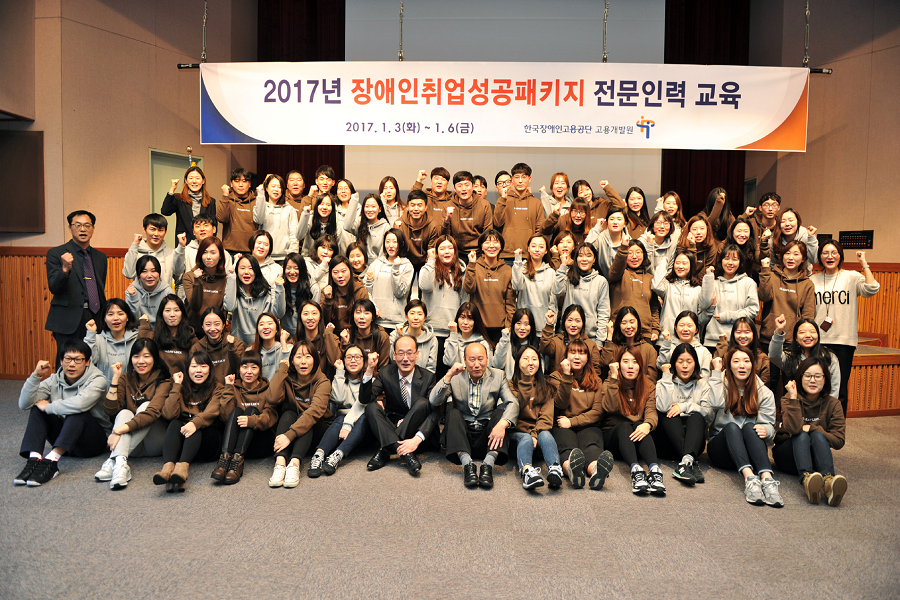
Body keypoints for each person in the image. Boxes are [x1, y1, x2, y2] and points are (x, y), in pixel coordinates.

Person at [14, 341, 110, 487]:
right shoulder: (53, 380)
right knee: (37, 409)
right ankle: (34, 459)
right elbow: (24, 404)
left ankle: (52, 461)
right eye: (68, 359)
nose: (72, 364)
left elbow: (80, 404)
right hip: (66, 440)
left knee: (77, 412)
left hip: (92, 443)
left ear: (87, 362)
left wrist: (50, 407)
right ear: (61, 361)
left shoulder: (98, 380)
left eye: (78, 359)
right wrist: (36, 376)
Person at [429, 343, 518, 489]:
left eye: (480, 359)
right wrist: (449, 375)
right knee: (453, 413)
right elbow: (434, 400)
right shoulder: (456, 376)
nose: (477, 364)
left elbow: (513, 402)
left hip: (488, 436)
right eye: (472, 359)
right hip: (463, 438)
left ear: (487, 358)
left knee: (501, 414)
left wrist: (502, 424)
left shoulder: (498, 375)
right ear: (464, 360)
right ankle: (467, 466)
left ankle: (487, 466)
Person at [707, 350, 783, 507]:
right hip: (722, 450)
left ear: (752, 365)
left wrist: (767, 430)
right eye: (736, 361)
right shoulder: (719, 384)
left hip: (750, 452)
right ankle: (750, 479)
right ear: (728, 366)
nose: (741, 365)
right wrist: (716, 373)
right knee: (732, 427)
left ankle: (767, 479)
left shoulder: (764, 392)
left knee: (750, 426)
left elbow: (769, 427)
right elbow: (713, 404)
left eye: (746, 361)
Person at [812, 242, 880, 414]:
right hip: (817, 341)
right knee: (817, 386)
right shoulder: (813, 280)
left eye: (834, 252)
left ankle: (836, 429)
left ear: (840, 256)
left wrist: (863, 262)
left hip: (843, 341)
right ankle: (817, 426)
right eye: (825, 253)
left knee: (840, 389)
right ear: (820, 256)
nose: (830, 256)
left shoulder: (851, 277)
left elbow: (872, 288)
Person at [98, 338, 173, 490]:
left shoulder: (164, 381)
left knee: (146, 406)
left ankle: (113, 460)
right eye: (136, 356)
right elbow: (110, 410)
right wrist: (115, 379)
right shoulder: (126, 378)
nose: (141, 361)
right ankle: (120, 463)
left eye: (146, 356)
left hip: (154, 442)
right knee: (125, 411)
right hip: (133, 446)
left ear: (155, 358)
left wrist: (118, 431)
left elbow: (152, 413)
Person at [773, 358, 848, 506]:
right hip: (787, 456)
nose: (812, 380)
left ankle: (828, 483)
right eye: (807, 375)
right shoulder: (789, 398)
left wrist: (812, 428)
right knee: (801, 435)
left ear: (825, 379)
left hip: (815, 459)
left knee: (817, 435)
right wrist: (794, 398)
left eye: (817, 376)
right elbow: (794, 429)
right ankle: (807, 480)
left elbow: (839, 441)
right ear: (800, 378)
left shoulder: (834, 404)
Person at [361, 336, 439, 475]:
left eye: (410, 353)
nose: (405, 358)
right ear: (394, 356)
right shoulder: (385, 373)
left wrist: (416, 439)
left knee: (423, 403)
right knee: (371, 407)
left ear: (417, 355)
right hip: (393, 424)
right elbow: (365, 398)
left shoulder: (428, 377)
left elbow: (434, 412)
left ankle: (385, 449)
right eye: (401, 353)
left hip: (416, 431)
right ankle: (406, 455)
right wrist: (369, 370)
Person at [548, 340, 614, 490]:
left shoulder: (596, 380)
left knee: (592, 447)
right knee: (567, 450)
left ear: (587, 358)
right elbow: (560, 403)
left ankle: (597, 471)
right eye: (573, 353)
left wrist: (573, 421)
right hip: (562, 424)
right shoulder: (556, 376)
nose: (577, 357)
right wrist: (566, 376)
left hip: (587, 424)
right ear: (566, 356)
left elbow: (597, 411)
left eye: (582, 353)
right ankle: (572, 472)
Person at [153, 351, 223, 492]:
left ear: (210, 369)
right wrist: (177, 386)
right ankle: (168, 470)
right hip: (185, 443)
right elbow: (169, 414)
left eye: (203, 366)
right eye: (194, 366)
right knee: (175, 424)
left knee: (195, 426)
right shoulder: (181, 385)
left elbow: (212, 412)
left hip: (209, 442)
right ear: (187, 369)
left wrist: (195, 423)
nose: (198, 370)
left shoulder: (218, 387)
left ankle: (182, 470)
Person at [46, 210, 108, 366]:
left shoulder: (100, 257)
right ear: (70, 228)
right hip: (68, 317)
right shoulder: (56, 253)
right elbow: (54, 287)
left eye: (87, 225)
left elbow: (99, 289)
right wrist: (65, 269)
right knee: (67, 362)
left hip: (94, 316)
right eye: (78, 225)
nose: (83, 229)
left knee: (92, 360)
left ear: (93, 228)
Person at [267, 342, 332, 488]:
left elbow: (314, 412)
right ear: (292, 360)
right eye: (299, 357)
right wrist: (282, 369)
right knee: (288, 413)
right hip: (294, 429)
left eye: (308, 357)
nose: (303, 362)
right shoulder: (288, 377)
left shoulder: (323, 381)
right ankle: (280, 463)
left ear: (315, 360)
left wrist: (289, 435)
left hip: (317, 430)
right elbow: (272, 398)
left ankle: (294, 465)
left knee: (307, 416)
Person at [601, 350, 665, 495]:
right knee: (624, 425)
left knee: (640, 424)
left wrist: (648, 424)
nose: (630, 366)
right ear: (618, 365)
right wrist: (613, 377)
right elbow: (609, 407)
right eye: (625, 362)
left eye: (635, 362)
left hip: (635, 436)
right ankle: (636, 471)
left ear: (641, 366)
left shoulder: (648, 385)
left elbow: (651, 412)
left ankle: (654, 471)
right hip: (613, 437)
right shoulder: (609, 382)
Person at [211, 351, 278, 484]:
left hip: (260, 441)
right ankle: (225, 460)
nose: (249, 372)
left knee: (251, 410)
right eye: (244, 367)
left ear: (260, 370)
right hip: (235, 442)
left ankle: (237, 461)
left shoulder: (268, 388)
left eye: (254, 367)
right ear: (239, 369)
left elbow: (270, 416)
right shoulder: (234, 387)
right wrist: (229, 388)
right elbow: (226, 416)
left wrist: (251, 420)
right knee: (236, 410)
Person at [759, 244, 816, 395]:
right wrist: (765, 271)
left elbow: (808, 316)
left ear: (803, 258)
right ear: (782, 256)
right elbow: (763, 296)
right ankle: (766, 418)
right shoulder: (771, 275)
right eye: (787, 253)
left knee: (789, 383)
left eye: (796, 254)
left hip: (792, 343)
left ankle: (787, 417)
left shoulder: (807, 284)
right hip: (768, 338)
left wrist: (802, 338)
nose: (791, 257)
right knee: (768, 382)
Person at [307, 345, 368, 479]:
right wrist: (339, 372)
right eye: (349, 357)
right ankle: (319, 455)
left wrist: (348, 424)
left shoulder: (370, 380)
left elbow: (363, 405)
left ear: (364, 361)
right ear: (343, 360)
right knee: (340, 418)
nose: (353, 360)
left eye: (357, 357)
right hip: (341, 431)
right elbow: (339, 399)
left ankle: (337, 455)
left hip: (362, 431)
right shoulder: (339, 378)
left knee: (364, 416)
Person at [654, 343, 711, 486]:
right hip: (668, 443)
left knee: (697, 416)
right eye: (680, 361)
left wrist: (684, 406)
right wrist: (667, 376)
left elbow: (709, 414)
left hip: (693, 441)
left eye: (689, 361)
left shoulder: (702, 384)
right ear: (674, 364)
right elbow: (661, 407)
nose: (685, 366)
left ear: (695, 364)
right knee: (668, 413)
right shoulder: (664, 382)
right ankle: (689, 461)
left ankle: (685, 462)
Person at [508, 346, 564, 490]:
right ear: (518, 362)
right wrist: (526, 379)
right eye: (525, 359)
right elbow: (514, 411)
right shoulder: (510, 386)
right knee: (525, 438)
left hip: (538, 437)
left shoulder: (547, 387)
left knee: (545, 433)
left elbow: (546, 417)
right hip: (517, 437)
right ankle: (527, 473)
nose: (530, 362)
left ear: (540, 363)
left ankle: (555, 469)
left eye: (534, 359)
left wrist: (535, 434)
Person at [419, 236, 467, 376]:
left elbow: (464, 301)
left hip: (451, 333)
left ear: (455, 251)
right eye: (442, 248)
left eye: (450, 248)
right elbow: (425, 286)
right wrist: (431, 261)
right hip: (431, 331)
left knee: (449, 374)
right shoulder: (428, 269)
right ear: (436, 252)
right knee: (430, 373)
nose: (446, 251)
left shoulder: (462, 273)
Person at [552, 242, 611, 346]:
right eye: (580, 255)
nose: (584, 259)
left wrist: (600, 341)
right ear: (576, 259)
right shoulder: (569, 276)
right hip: (567, 337)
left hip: (590, 338)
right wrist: (563, 266)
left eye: (588, 256)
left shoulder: (601, 281)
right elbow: (557, 291)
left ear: (594, 259)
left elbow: (603, 313)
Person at [702, 245, 760, 349]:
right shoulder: (713, 283)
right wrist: (708, 277)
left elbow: (753, 310)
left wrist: (728, 316)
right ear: (721, 261)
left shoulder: (749, 283)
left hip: (739, 341)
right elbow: (703, 310)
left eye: (735, 259)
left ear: (740, 262)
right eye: (727, 258)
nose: (730, 263)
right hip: (713, 340)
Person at [463, 229, 517, 341]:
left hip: (501, 328)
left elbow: (510, 303)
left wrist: (508, 326)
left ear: (501, 246)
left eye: (495, 242)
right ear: (481, 247)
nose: (491, 246)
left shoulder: (508, 270)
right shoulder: (474, 266)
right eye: (487, 242)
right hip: (477, 326)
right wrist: (471, 265)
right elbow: (468, 289)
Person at [768, 316, 840, 396]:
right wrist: (779, 331)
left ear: (818, 335)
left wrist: (828, 407)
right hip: (795, 404)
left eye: (812, 332)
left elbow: (834, 389)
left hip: (822, 406)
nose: (808, 335)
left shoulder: (829, 357)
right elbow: (773, 356)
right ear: (796, 337)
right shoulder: (790, 357)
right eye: (802, 332)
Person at [224, 254, 286, 346]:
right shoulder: (235, 290)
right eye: (242, 268)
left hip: (261, 342)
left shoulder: (266, 292)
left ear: (256, 271)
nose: (246, 272)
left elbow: (279, 314)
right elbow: (229, 307)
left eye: (250, 268)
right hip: (239, 343)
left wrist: (280, 290)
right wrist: (232, 277)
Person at [608, 240, 661, 343]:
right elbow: (615, 270)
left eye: (638, 252)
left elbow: (654, 307)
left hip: (644, 333)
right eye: (630, 253)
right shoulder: (619, 275)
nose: (634, 256)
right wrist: (623, 248)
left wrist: (655, 329)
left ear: (644, 255)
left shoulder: (650, 278)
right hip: (620, 331)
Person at [364, 228, 414, 333]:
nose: (390, 245)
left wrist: (396, 269)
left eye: (394, 242)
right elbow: (367, 290)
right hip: (377, 320)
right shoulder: (376, 264)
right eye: (387, 241)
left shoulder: (407, 266)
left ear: (402, 243)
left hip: (397, 322)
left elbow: (400, 293)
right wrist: (373, 308)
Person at [652, 249, 712, 335]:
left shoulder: (697, 289)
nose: (680, 266)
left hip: (689, 337)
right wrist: (664, 261)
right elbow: (656, 286)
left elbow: (701, 319)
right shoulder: (668, 285)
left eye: (684, 263)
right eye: (677, 263)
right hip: (667, 336)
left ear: (691, 266)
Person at [493, 163, 544, 263]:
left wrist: (533, 249)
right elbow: (497, 223)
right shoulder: (504, 200)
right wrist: (503, 199)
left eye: (523, 177)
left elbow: (539, 230)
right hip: (507, 254)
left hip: (528, 255)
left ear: (529, 179)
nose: (520, 181)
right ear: (512, 179)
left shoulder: (536, 203)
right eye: (517, 177)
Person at [123, 213, 185, 291]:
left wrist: (181, 248)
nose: (156, 234)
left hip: (165, 300)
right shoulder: (136, 252)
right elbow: (129, 274)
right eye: (152, 229)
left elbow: (179, 277)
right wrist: (134, 245)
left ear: (165, 231)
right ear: (144, 229)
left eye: (160, 230)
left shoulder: (171, 253)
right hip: (141, 300)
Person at [139, 295, 197, 376]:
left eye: (176, 310)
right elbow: (140, 352)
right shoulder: (154, 336)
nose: (172, 314)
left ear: (182, 313)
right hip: (158, 385)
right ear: (161, 314)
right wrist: (144, 326)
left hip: (183, 385)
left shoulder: (191, 338)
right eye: (167, 310)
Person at [84, 299, 138, 383]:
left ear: (127, 317)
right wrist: (91, 334)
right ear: (104, 319)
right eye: (110, 314)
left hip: (129, 391)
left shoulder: (136, 339)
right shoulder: (98, 339)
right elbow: (89, 361)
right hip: (103, 391)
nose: (115, 318)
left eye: (120, 314)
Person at [512, 234, 557, 335]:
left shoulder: (551, 273)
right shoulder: (521, 268)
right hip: (524, 327)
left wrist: (551, 325)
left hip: (543, 326)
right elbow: (517, 286)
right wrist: (517, 260)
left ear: (546, 251)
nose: (537, 249)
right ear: (528, 248)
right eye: (533, 246)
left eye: (541, 247)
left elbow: (553, 303)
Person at [182, 236, 228, 335]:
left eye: (213, 252)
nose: (208, 257)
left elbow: (225, 309)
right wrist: (197, 281)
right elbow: (195, 306)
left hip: (215, 332)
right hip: (192, 331)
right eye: (204, 252)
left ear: (220, 256)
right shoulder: (189, 277)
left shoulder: (225, 279)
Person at [440, 170, 494, 255]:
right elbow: (444, 237)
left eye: (467, 185)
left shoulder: (484, 205)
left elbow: (488, 232)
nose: (463, 189)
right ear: (454, 188)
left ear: (472, 187)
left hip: (479, 252)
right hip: (456, 253)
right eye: (459, 185)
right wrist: (446, 220)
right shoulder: (448, 206)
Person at [539, 305, 602, 375]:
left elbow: (596, 370)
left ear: (583, 323)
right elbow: (544, 349)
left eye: (577, 321)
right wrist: (549, 324)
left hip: (582, 383)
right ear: (564, 322)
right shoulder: (558, 341)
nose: (573, 324)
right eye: (570, 320)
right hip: (560, 382)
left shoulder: (590, 344)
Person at [161, 166, 217, 243]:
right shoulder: (179, 199)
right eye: (191, 178)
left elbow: (214, 224)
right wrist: (172, 189)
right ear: (186, 181)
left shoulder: (211, 201)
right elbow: (165, 211)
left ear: (203, 181)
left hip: (204, 243)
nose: (194, 181)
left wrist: (211, 243)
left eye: (197, 178)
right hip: (184, 242)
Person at [601, 307, 659, 382]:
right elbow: (606, 362)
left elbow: (652, 377)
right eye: (624, 323)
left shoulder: (648, 349)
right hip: (618, 390)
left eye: (632, 322)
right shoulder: (614, 347)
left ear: (638, 323)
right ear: (619, 325)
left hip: (642, 390)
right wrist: (609, 335)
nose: (628, 326)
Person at [176, 215, 233, 287]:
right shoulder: (186, 251)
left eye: (206, 225)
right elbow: (176, 272)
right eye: (198, 226)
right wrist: (181, 247)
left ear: (214, 229)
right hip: (191, 293)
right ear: (193, 232)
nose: (202, 229)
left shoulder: (223, 253)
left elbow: (228, 280)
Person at [191, 306, 244, 383]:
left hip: (230, 389)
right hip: (207, 391)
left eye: (217, 324)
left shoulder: (236, 343)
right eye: (208, 324)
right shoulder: (196, 348)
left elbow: (240, 370)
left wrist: (231, 348)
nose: (212, 328)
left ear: (223, 325)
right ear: (202, 326)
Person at [253, 174, 299, 263]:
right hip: (264, 256)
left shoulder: (290, 210)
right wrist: (261, 194)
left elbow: (294, 236)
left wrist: (291, 258)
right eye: (273, 186)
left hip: (284, 258)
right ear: (266, 188)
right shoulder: (261, 206)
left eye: (279, 187)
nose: (276, 189)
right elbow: (259, 219)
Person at [713, 316, 771, 385]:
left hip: (754, 394)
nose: (743, 336)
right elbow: (716, 374)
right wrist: (722, 345)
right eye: (738, 332)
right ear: (733, 334)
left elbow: (764, 384)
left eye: (747, 332)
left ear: (753, 334)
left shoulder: (762, 358)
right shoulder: (727, 354)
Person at [394, 189, 440, 276]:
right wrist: (396, 231)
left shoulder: (433, 226)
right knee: (404, 288)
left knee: (425, 287)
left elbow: (431, 253)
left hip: (424, 262)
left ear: (426, 207)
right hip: (405, 261)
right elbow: (397, 250)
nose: (416, 209)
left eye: (419, 205)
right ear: (407, 206)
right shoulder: (399, 224)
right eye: (412, 205)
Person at [656, 311, 712, 379]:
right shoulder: (669, 347)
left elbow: (705, 377)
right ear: (676, 328)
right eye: (681, 325)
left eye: (690, 326)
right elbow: (661, 365)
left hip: (697, 388)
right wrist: (666, 343)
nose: (685, 329)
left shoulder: (704, 352)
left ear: (696, 329)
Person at [294, 300, 342, 378]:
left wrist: (328, 334)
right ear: (300, 317)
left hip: (326, 385)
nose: (310, 318)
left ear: (320, 316)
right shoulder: (295, 340)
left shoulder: (330, 337)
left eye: (314, 313)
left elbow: (336, 362)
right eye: (306, 314)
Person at [322, 257, 370, 333]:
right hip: (333, 334)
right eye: (335, 272)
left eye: (343, 271)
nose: (340, 275)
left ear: (350, 271)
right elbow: (324, 321)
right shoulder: (326, 292)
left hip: (356, 334)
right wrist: (328, 300)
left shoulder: (360, 291)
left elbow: (364, 318)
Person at [389, 299, 438, 373]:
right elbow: (392, 360)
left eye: (420, 314)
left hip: (422, 380)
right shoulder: (395, 334)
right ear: (406, 316)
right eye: (412, 313)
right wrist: (399, 337)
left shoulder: (432, 339)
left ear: (424, 318)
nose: (416, 317)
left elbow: (431, 368)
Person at [217, 167, 258, 255]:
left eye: (244, 181)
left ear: (249, 184)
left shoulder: (256, 201)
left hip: (251, 250)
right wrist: (225, 195)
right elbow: (222, 218)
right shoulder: (227, 200)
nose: (240, 185)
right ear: (231, 183)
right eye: (236, 181)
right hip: (229, 250)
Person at [764, 207, 818, 274]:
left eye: (791, 220)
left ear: (798, 221)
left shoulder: (806, 235)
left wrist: (811, 237)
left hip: (804, 277)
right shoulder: (773, 240)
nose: (787, 224)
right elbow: (773, 265)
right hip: (781, 278)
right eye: (783, 221)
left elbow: (814, 260)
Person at [298, 192, 352, 258]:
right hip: (309, 260)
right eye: (321, 204)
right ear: (316, 206)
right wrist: (305, 214)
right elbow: (299, 236)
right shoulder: (310, 219)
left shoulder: (337, 226)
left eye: (328, 205)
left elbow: (337, 249)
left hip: (328, 261)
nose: (324, 207)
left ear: (333, 208)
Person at [280, 252, 320, 337]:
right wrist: (278, 289)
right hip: (286, 335)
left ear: (302, 270)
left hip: (307, 335)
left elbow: (315, 315)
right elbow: (277, 314)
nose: (292, 272)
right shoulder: (280, 286)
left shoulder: (313, 288)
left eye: (296, 268)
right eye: (288, 268)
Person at [443, 302, 494, 367]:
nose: (465, 322)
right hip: (456, 376)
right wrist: (453, 335)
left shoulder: (483, 343)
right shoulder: (451, 339)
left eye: (470, 318)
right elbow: (449, 362)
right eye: (462, 317)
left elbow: (487, 367)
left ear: (475, 321)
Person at [492, 308, 538, 380]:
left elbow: (540, 372)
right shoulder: (505, 341)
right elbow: (497, 365)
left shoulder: (536, 344)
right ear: (513, 325)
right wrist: (504, 341)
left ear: (531, 326)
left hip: (531, 385)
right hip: (509, 386)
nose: (522, 328)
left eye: (526, 324)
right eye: (519, 323)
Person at [125, 256, 168, 331]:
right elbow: (132, 322)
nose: (149, 275)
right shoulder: (131, 291)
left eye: (153, 271)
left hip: (161, 333)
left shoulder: (167, 292)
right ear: (138, 275)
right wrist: (133, 298)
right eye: (144, 271)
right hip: (138, 333)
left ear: (159, 273)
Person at [345, 193, 390, 262]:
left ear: (380, 209)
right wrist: (354, 200)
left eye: (373, 206)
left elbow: (384, 254)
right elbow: (347, 226)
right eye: (367, 206)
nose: (370, 210)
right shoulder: (360, 223)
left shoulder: (385, 227)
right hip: (361, 266)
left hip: (377, 268)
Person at [248, 313, 291, 381]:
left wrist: (283, 343)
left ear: (277, 329)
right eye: (261, 324)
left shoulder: (288, 348)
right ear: (257, 330)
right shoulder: (250, 351)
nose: (266, 327)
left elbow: (289, 371)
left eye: (270, 323)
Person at [588, 206, 628, 278]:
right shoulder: (599, 238)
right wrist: (597, 228)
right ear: (607, 222)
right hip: (601, 279)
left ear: (625, 224)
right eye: (612, 219)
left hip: (622, 283)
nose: (615, 222)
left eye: (619, 219)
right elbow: (586, 249)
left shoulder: (629, 241)